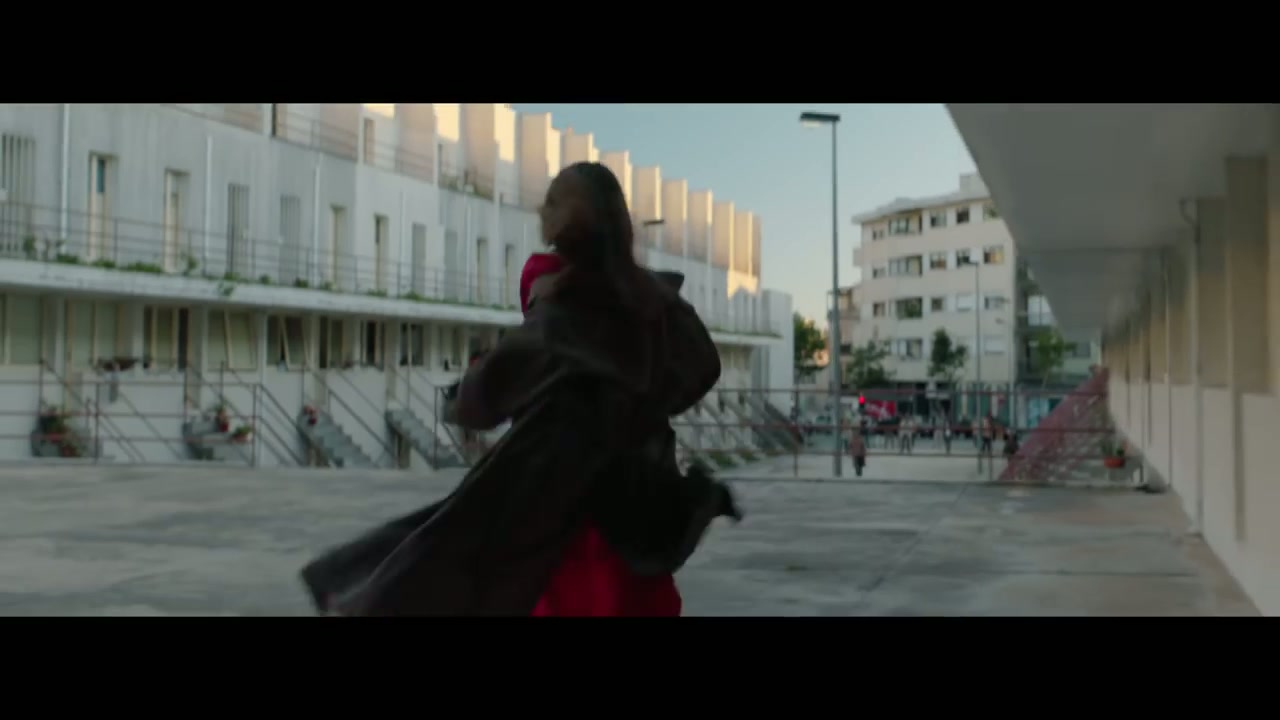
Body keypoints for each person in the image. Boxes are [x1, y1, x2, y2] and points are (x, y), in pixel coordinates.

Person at [300, 161, 739, 616]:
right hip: (641, 505)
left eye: (551, 202)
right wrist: (644, 406)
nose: (540, 210)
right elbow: (703, 368)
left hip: (572, 514)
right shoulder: (657, 301)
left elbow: (482, 400)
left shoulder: (563, 308)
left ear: (570, 221)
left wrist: (470, 393)